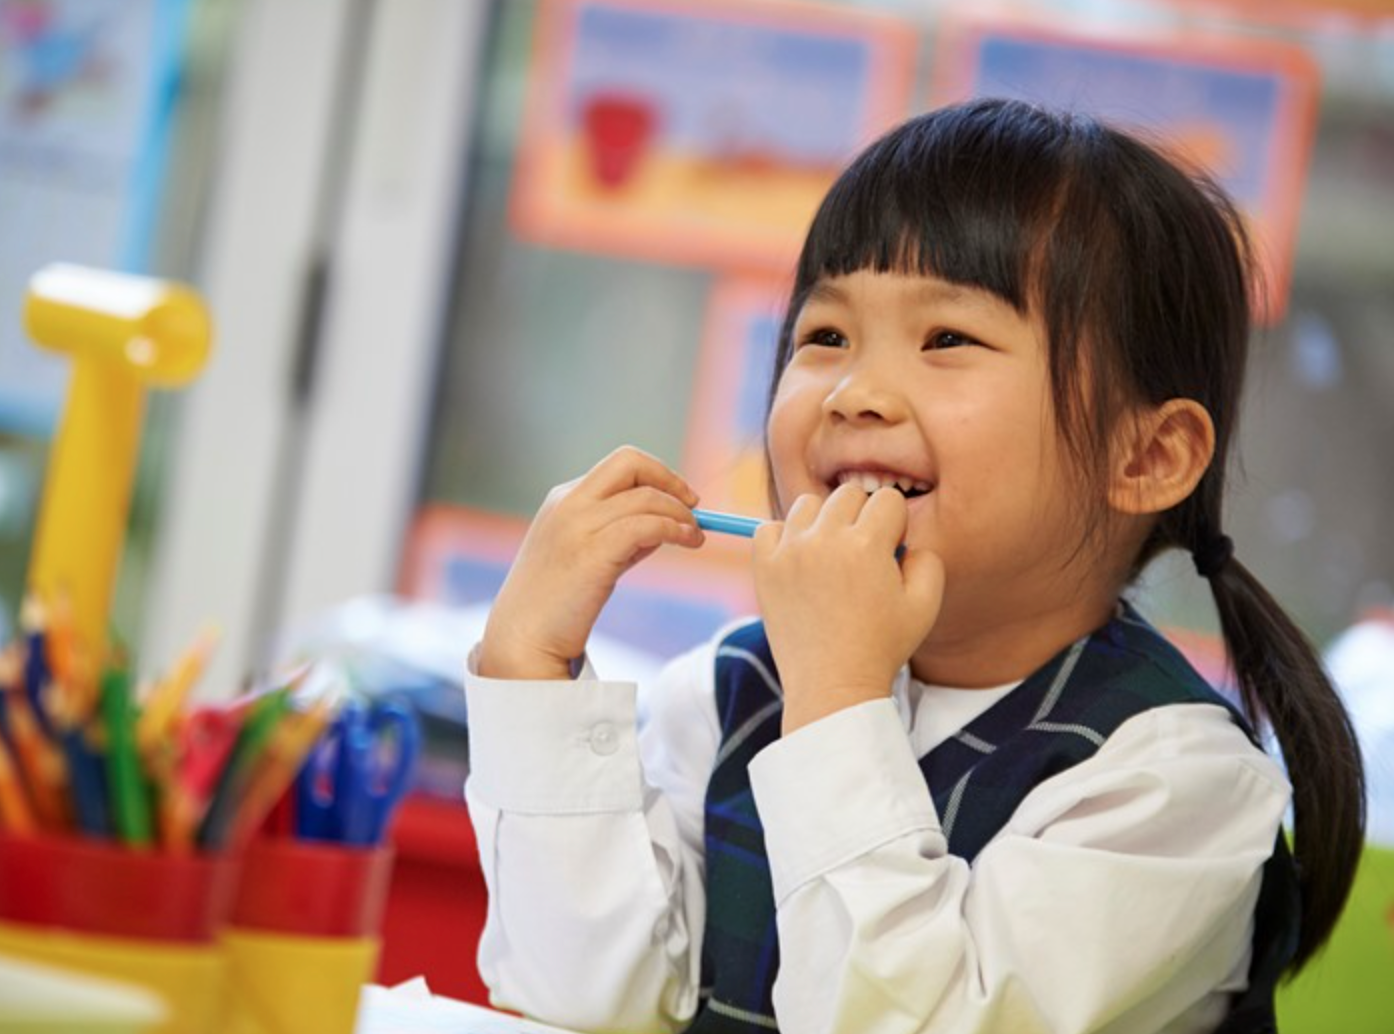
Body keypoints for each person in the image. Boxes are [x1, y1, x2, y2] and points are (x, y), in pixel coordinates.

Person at [461, 98, 1366, 1034]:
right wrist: (530, 665)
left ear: (1145, 458)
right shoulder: (729, 692)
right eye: (824, 338)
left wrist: (837, 700)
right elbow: (593, 1003)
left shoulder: (1173, 785)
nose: (855, 393)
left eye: (947, 339)